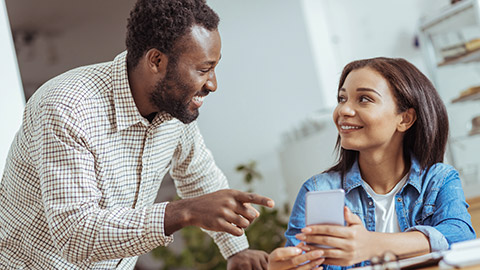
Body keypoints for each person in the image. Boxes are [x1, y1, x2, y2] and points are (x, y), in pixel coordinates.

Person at [0, 0, 275, 269]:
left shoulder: (174, 109)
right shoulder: (68, 107)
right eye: (203, 70)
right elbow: (75, 235)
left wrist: (238, 251)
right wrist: (183, 212)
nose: (213, 84)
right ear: (156, 61)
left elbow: (198, 174)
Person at [268, 57, 476, 269]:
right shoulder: (317, 190)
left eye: (364, 99)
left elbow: (460, 237)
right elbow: (300, 259)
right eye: (342, 99)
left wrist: (371, 244)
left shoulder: (439, 180)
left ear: (405, 119)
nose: (343, 111)